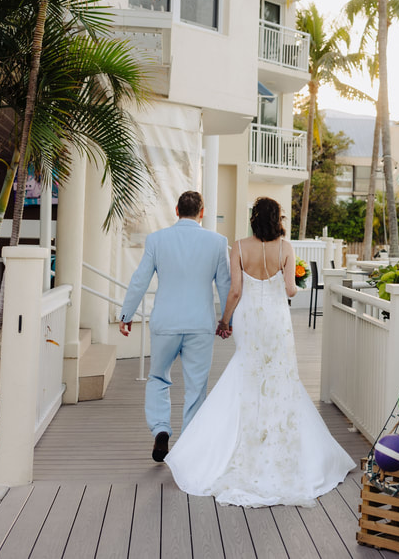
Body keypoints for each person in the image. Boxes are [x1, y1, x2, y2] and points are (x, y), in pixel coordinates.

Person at [165, 196, 354, 507]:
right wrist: (292, 278)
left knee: (247, 371)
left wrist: (224, 320)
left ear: (253, 217)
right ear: (277, 218)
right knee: (280, 377)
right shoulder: (286, 248)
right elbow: (291, 290)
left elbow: (236, 290)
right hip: (277, 320)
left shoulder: (239, 246)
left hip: (249, 318)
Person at [118, 190, 231, 462]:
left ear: (176, 211)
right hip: (200, 325)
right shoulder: (217, 242)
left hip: (165, 323)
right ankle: (190, 446)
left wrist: (126, 314)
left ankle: (161, 429)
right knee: (196, 386)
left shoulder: (157, 239)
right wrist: (227, 322)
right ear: (202, 212)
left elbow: (139, 279)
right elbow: (225, 284)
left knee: (157, 378)